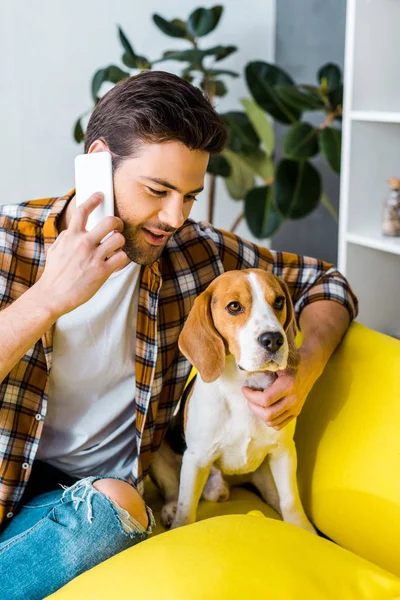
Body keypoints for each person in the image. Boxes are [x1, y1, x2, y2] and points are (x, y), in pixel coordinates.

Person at [0, 70, 358, 598]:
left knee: (120, 507)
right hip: (10, 481)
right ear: (98, 160)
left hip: (103, 498)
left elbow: (326, 282)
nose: (173, 217)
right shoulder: (12, 242)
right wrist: (49, 297)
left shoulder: (197, 253)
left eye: (190, 196)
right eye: (157, 189)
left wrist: (303, 369)